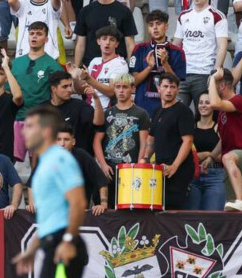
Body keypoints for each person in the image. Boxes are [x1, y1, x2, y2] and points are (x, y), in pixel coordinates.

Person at [12, 106, 88, 278]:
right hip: (52, 242)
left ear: (45, 132)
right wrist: (32, 249)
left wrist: (67, 241)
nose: (24, 131)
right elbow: (49, 218)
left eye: (30, 126)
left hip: (64, 243)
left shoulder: (59, 159)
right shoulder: (44, 163)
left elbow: (78, 202)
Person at [141, 73, 196, 210]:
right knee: (159, 209)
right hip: (160, 170)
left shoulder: (183, 111)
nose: (169, 90)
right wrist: (145, 158)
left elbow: (188, 141)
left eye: (172, 87)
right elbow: (151, 139)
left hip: (179, 170)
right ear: (159, 88)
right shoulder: (157, 111)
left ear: (178, 89)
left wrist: (174, 166)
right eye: (165, 86)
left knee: (174, 211)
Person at [11, 22, 64, 162]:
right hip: (16, 117)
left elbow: (61, 93)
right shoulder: (16, 62)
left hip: (40, 120)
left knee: (38, 161)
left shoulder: (53, 65)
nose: (34, 36)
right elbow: (7, 90)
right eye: (32, 33)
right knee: (10, 160)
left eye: (39, 34)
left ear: (46, 39)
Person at [93, 74, 151, 202]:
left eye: (124, 87)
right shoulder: (107, 113)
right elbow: (96, 141)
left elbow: (144, 143)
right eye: (118, 87)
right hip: (108, 168)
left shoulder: (141, 113)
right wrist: (102, 164)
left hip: (129, 168)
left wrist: (137, 165)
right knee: (103, 205)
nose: (121, 90)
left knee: (127, 204)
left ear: (132, 89)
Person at [173, 0, 229, 107]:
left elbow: (222, 46)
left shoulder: (217, 16)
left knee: (204, 115)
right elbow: (176, 44)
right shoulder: (183, 16)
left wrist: (215, 71)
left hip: (204, 73)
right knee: (176, 112)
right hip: (183, 74)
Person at [207, 68, 242, 212]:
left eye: (213, 85)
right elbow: (223, 139)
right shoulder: (224, 110)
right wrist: (211, 157)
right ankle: (238, 206)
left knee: (227, 158)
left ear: (222, 85)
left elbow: (214, 103)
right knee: (230, 205)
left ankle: (241, 200)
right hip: (231, 159)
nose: (210, 88)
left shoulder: (238, 100)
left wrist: (214, 79)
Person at [30, 124, 109, 212]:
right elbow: (31, 184)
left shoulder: (82, 156)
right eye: (58, 140)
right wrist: (32, 204)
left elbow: (102, 181)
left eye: (66, 140)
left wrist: (103, 204)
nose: (62, 144)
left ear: (73, 141)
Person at [129, 10, 187, 116]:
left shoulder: (177, 52)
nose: (155, 28)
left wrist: (165, 64)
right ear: (148, 29)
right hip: (143, 106)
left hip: (167, 108)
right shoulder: (139, 49)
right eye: (151, 25)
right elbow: (133, 82)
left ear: (166, 26)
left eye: (158, 24)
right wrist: (149, 67)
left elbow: (176, 83)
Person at [49, 71, 104, 156]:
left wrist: (96, 98)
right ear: (53, 89)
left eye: (70, 86)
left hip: (79, 161)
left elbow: (98, 122)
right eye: (65, 87)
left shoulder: (80, 105)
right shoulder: (43, 109)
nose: (70, 90)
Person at [186, 93, 225, 211]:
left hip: (215, 175)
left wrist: (210, 156)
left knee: (212, 217)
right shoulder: (190, 127)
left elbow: (226, 155)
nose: (203, 105)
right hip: (192, 175)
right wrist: (208, 154)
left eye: (207, 102)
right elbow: (185, 154)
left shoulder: (220, 127)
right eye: (201, 102)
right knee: (191, 218)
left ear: (214, 105)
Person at [78, 26, 130, 110]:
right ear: (98, 41)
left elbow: (111, 92)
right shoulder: (94, 61)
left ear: (117, 44)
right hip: (89, 107)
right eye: (104, 39)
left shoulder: (120, 64)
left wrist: (88, 78)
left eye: (112, 40)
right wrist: (74, 77)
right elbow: (80, 90)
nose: (107, 42)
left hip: (106, 110)